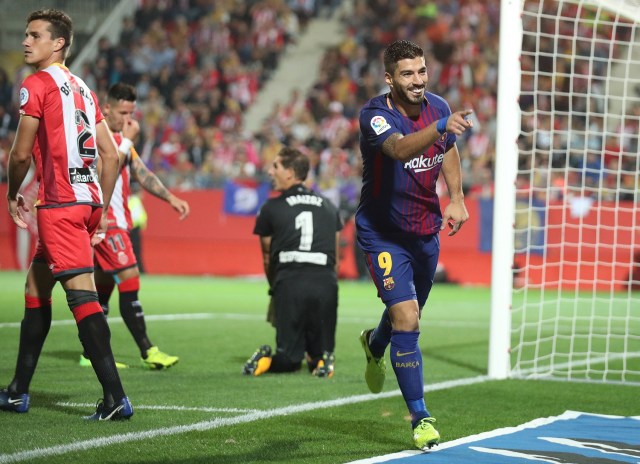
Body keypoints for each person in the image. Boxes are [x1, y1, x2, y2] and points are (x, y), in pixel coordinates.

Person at [1, 9, 133, 420]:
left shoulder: (35, 85)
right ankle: (18, 390)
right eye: (25, 34)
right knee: (36, 288)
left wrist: (11, 193)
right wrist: (102, 208)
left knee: (82, 298)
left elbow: (21, 152)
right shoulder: (84, 89)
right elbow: (110, 155)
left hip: (59, 205)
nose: (26, 41)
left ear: (58, 43)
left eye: (35, 35)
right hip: (87, 203)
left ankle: (116, 398)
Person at [355, 40, 471, 450]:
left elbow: (449, 150)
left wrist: (456, 198)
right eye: (407, 73)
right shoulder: (375, 115)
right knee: (408, 319)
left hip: (425, 231)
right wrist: (441, 127)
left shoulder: (439, 106)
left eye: (421, 71)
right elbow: (401, 149)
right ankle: (421, 417)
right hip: (383, 232)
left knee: (409, 313)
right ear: (390, 78)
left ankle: (374, 344)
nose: (418, 80)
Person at [80, 82, 189, 370]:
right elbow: (107, 173)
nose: (128, 120)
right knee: (130, 278)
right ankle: (148, 350)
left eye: (131, 113)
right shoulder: (97, 136)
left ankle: (89, 351)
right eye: (122, 112)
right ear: (106, 109)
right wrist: (126, 142)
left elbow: (141, 172)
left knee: (103, 289)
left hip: (119, 222)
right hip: (107, 221)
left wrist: (171, 198)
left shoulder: (119, 139)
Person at [243, 147, 343, 378]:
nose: (269, 172)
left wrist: (275, 288)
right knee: (319, 356)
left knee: (288, 359)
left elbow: (268, 257)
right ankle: (322, 361)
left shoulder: (270, 208)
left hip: (290, 282)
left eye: (275, 166)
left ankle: (266, 359)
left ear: (289, 173)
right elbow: (335, 259)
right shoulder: (329, 207)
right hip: (325, 284)